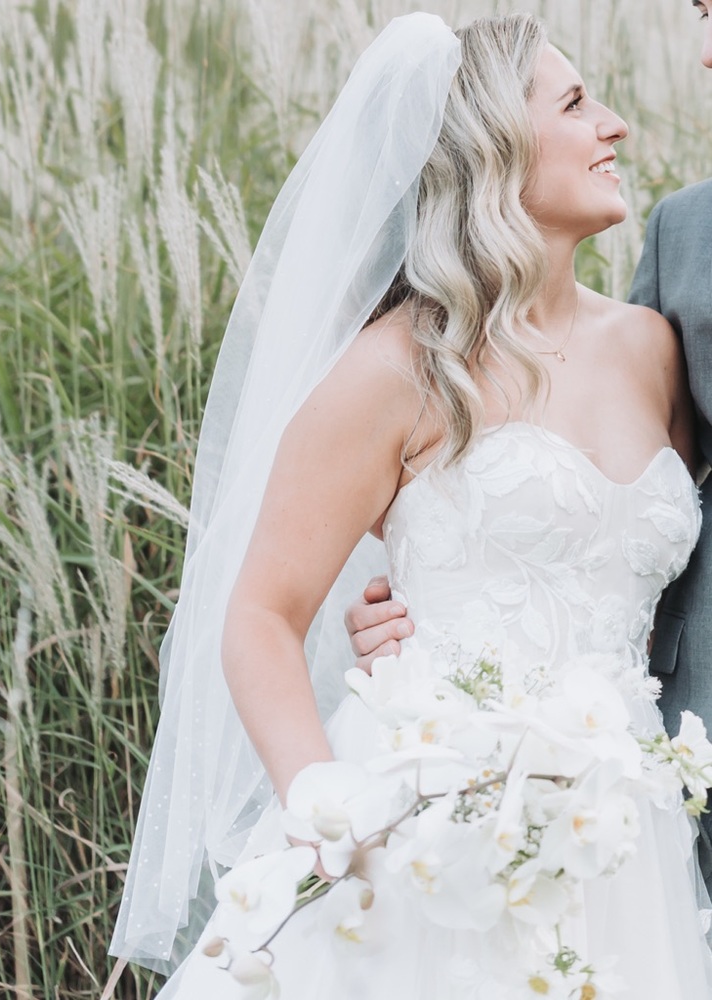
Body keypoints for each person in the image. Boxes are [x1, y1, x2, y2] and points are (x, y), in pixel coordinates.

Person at [111, 12, 712, 997]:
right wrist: (329, 810)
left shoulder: (652, 348)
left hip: (624, 832)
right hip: (427, 830)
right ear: (491, 147)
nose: (614, 126)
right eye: (573, 103)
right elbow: (261, 611)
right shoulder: (397, 369)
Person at [347, 0, 712, 886]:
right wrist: (424, 622)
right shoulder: (681, 235)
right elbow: (629, 488)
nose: (703, 54)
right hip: (644, 781)